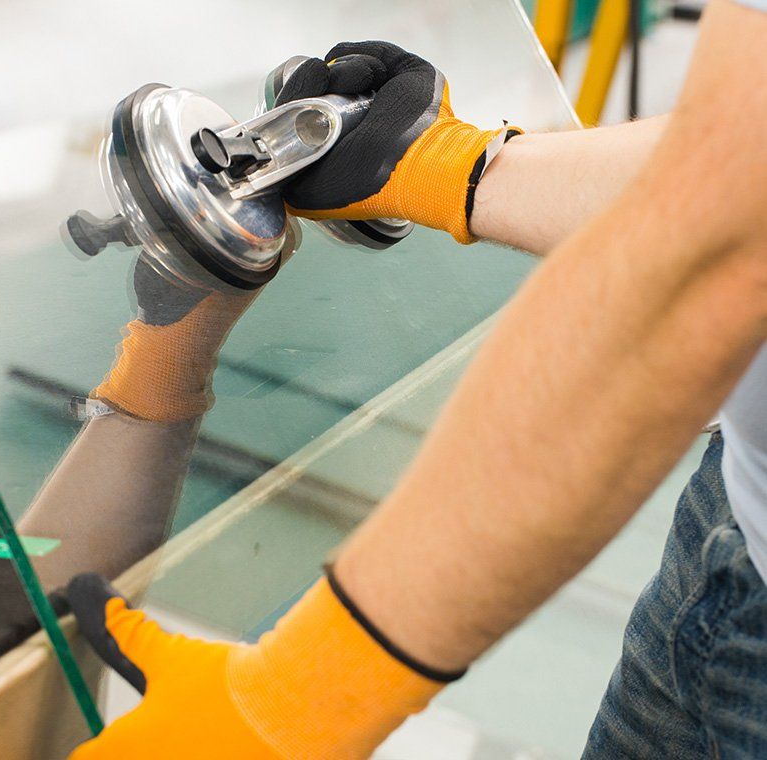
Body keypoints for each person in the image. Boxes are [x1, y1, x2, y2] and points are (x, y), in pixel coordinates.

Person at [60, 0, 766, 756]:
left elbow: (718, 253)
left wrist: (300, 695)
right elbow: (733, 165)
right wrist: (445, 164)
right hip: (736, 524)